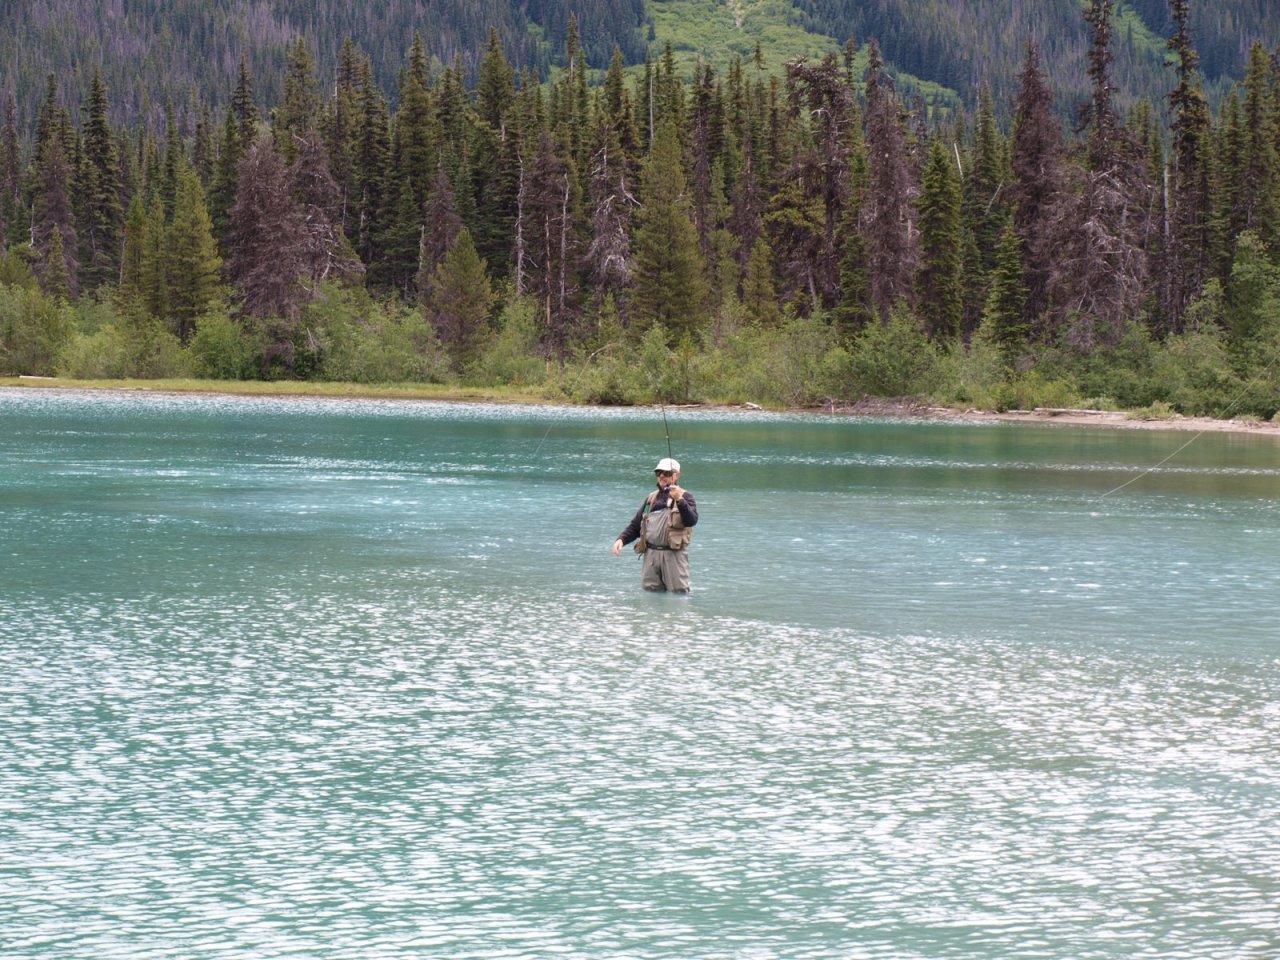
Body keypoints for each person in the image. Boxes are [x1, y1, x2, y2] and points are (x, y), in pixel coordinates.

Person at [611, 457, 699, 593]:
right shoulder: (651, 498)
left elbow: (691, 520)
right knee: (650, 595)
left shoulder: (686, 497)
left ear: (676, 475)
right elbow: (636, 525)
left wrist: (679, 500)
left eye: (667, 473)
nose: (662, 476)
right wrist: (621, 540)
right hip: (650, 555)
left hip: (674, 556)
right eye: (659, 473)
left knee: (679, 595)